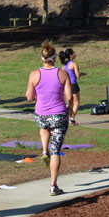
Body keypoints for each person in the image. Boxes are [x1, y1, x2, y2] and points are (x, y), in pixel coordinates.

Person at [26, 40, 72, 196]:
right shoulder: (62, 73)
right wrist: (70, 108)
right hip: (59, 115)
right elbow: (69, 96)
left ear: (42, 58)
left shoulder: (34, 74)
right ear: (54, 58)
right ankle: (53, 186)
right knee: (56, 151)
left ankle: (44, 150)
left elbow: (29, 97)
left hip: (41, 115)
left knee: (44, 126)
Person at [59, 48, 83, 126]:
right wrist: (82, 74)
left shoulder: (64, 65)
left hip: (66, 85)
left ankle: (62, 116)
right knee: (76, 102)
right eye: (74, 53)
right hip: (73, 85)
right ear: (71, 55)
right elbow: (77, 75)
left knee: (69, 103)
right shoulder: (74, 64)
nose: (75, 54)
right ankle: (72, 119)